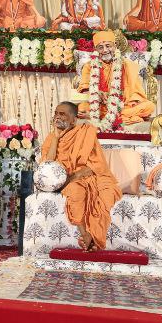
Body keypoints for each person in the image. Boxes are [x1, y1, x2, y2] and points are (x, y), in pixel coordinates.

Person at [41, 102, 120, 252]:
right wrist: (56, 138)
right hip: (63, 179)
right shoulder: (51, 137)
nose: (57, 117)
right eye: (56, 113)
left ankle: (93, 237)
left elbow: (96, 165)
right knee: (75, 191)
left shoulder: (86, 133)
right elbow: (48, 165)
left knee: (103, 193)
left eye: (62, 114)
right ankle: (85, 235)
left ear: (73, 120)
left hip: (85, 176)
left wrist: (75, 176)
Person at [75, 30, 154, 129]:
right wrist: (97, 93)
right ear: (95, 50)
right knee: (82, 108)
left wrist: (119, 98)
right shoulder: (89, 66)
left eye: (108, 46)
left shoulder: (127, 65)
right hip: (99, 105)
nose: (105, 50)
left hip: (121, 104)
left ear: (115, 46)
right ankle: (115, 117)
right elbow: (84, 87)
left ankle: (103, 117)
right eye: (100, 47)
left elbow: (134, 92)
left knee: (149, 106)